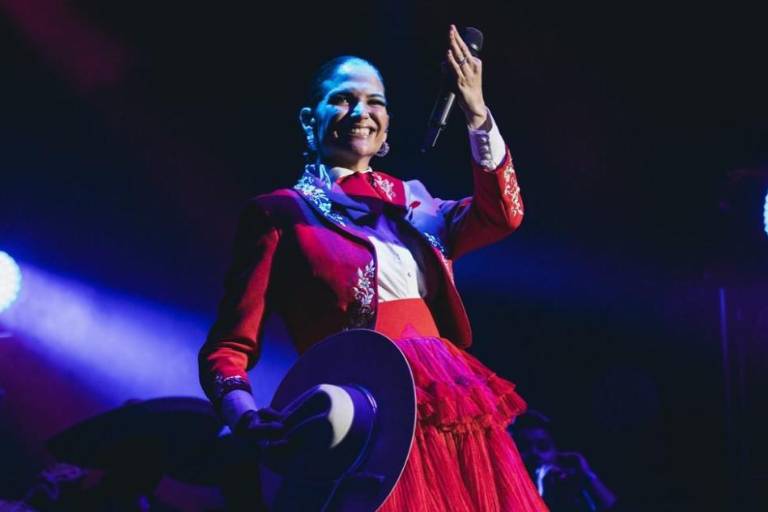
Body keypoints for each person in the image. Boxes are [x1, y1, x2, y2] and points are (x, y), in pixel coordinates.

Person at [199, 24, 547, 511]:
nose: (361, 112)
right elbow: (228, 346)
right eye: (343, 99)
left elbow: (503, 214)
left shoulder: (417, 204)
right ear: (309, 119)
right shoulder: (279, 214)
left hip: (446, 407)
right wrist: (243, 415)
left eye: (375, 102)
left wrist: (476, 114)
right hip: (365, 414)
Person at [510, 411, 618, 512]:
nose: (535, 454)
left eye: (543, 446)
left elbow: (612, 506)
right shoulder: (509, 491)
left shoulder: (565, 482)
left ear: (556, 451)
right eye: (523, 447)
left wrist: (587, 474)